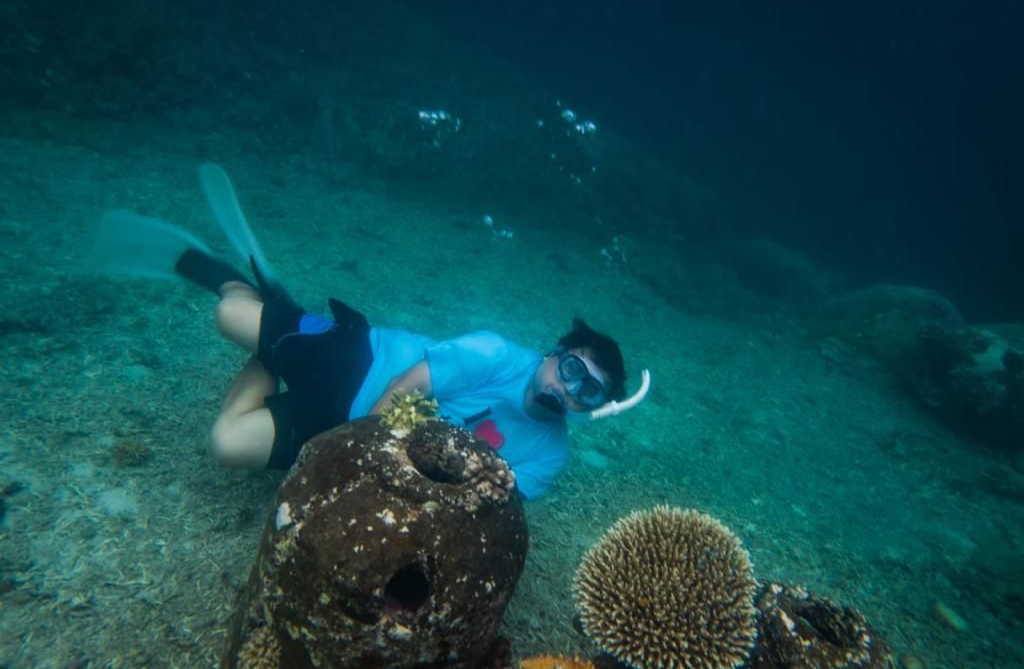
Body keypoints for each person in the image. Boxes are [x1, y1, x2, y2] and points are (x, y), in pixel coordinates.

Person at [90, 164, 650, 499]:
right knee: (227, 318)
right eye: (571, 369)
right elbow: (401, 389)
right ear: (553, 355)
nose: (568, 389)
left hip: (343, 428)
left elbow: (491, 503)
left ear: (591, 408)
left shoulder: (548, 458)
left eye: (589, 391)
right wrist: (362, 468)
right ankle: (245, 289)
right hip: (359, 360)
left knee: (225, 444)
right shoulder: (495, 353)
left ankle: (272, 354)